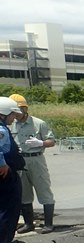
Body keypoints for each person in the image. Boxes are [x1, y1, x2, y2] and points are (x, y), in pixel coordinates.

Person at [9, 94, 57, 233]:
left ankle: (48, 224)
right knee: (24, 193)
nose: (16, 113)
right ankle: (29, 224)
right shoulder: (11, 125)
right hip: (20, 161)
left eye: (18, 109)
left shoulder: (38, 123)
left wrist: (41, 143)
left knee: (43, 189)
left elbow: (52, 141)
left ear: (25, 108)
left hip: (36, 159)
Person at [0, 96, 25, 243]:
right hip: (5, 175)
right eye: (13, 114)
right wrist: (2, 164)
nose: (14, 118)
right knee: (8, 208)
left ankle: (5, 239)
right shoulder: (1, 130)